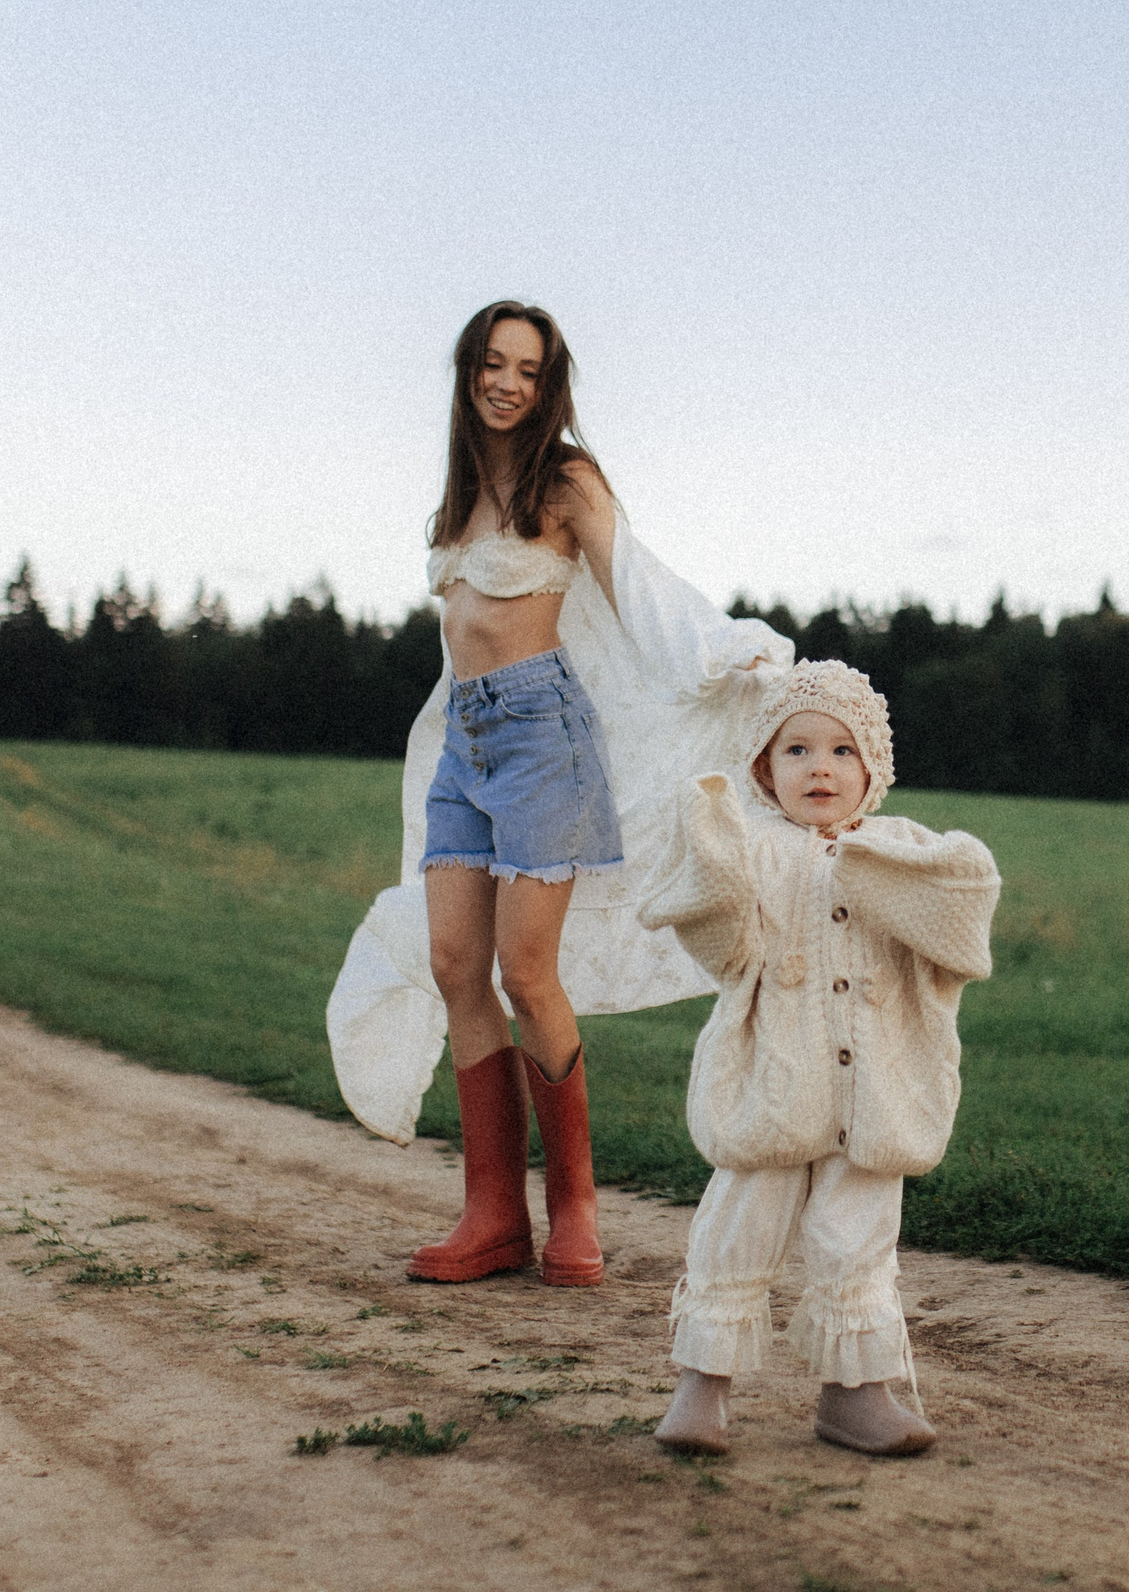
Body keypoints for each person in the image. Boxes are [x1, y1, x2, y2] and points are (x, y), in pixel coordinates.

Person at [325, 301, 792, 1287]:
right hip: (467, 741)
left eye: (527, 370)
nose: (506, 382)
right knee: (459, 964)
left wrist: (731, 660)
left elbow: (642, 591)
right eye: (491, 364)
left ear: (549, 384)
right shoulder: (460, 495)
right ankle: (491, 1213)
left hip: (544, 739)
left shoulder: (566, 478)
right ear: (467, 372)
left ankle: (573, 1208)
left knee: (526, 971)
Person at [638, 662, 1001, 1456]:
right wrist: (710, 848)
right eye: (797, 750)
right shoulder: (759, 849)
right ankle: (702, 1387)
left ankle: (855, 1394)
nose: (821, 768)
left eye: (842, 751)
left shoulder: (901, 848)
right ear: (765, 767)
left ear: (873, 767)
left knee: (857, 1236)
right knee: (740, 1224)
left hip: (876, 1091)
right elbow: (726, 946)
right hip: (777, 1082)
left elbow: (962, 916)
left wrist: (882, 874)